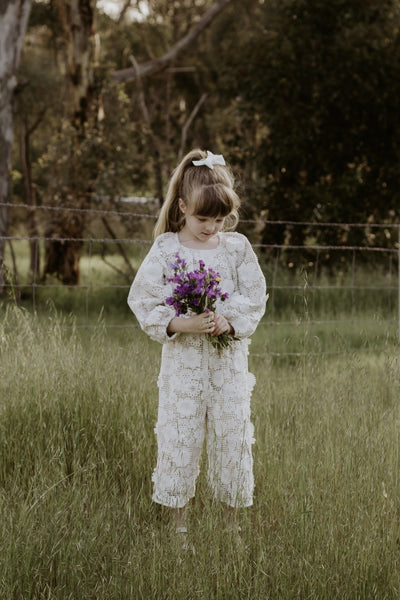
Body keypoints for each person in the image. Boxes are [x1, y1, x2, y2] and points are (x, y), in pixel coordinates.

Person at [127, 149, 267, 541]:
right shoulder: (167, 250)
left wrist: (229, 320)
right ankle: (178, 528)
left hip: (228, 367)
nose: (211, 227)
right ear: (183, 206)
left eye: (218, 219)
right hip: (183, 365)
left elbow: (255, 295)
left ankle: (231, 527)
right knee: (181, 435)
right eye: (203, 218)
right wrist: (181, 322)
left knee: (231, 438)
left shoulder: (236, 248)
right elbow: (142, 299)